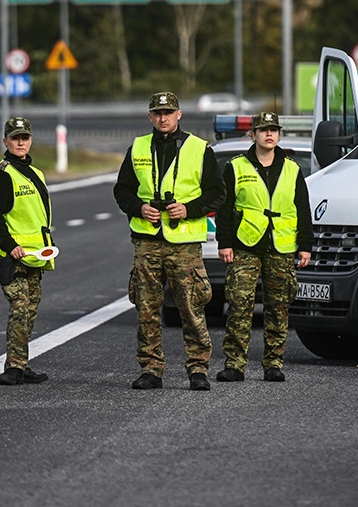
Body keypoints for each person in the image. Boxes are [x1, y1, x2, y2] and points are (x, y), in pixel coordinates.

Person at [114, 91, 225, 391]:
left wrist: (190, 209)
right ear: (150, 116)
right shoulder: (137, 148)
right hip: (147, 241)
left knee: (191, 307)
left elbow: (217, 192)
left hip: (184, 243)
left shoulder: (199, 149)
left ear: (179, 115)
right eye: (157, 113)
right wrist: (139, 207)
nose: (163, 118)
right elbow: (122, 190)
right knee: (146, 308)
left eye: (168, 112)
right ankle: (151, 369)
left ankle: (198, 368)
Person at [215, 111, 313, 383]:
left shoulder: (292, 168)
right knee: (239, 305)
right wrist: (225, 243)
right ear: (253, 135)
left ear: (279, 134)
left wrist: (305, 246)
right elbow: (224, 208)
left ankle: (273, 363)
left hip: (281, 246)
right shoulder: (236, 166)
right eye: (263, 130)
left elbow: (303, 210)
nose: (269, 134)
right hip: (245, 244)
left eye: (273, 130)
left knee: (278, 307)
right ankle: (234, 364)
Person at [0, 116, 55, 386]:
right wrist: (10, 246)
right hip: (10, 256)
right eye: (15, 138)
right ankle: (13, 367)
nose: (20, 142)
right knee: (20, 308)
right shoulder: (1, 175)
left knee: (31, 309)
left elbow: (38, 217)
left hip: (35, 255)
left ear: (31, 140)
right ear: (5, 141)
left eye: (24, 137)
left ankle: (21, 364)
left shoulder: (36, 173)